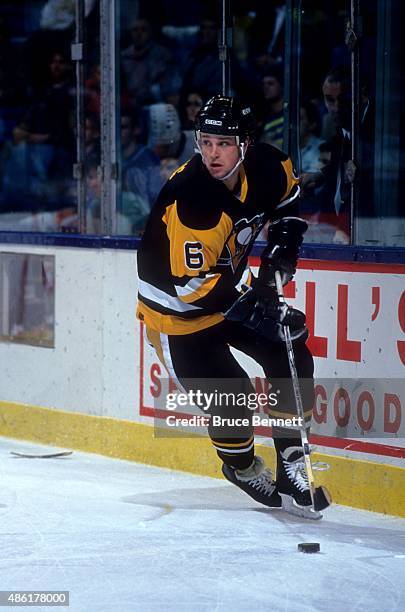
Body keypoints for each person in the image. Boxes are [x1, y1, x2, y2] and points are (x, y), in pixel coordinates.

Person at [137, 95, 323, 519]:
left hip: (225, 288)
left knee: (288, 349)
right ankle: (239, 467)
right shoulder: (195, 201)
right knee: (232, 397)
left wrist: (281, 254)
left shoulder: (269, 166)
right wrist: (260, 310)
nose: (212, 153)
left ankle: (293, 460)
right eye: (205, 142)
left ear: (246, 144)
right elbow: (193, 290)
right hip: (177, 315)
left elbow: (288, 205)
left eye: (223, 142)